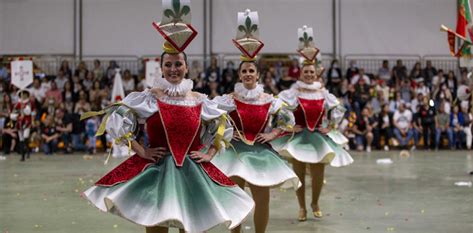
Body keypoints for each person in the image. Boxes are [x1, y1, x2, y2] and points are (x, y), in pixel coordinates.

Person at [82, 6, 253, 233]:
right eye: (168, 64)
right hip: (156, 172)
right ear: (161, 68)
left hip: (193, 173)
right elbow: (117, 119)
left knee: (192, 226)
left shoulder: (199, 100)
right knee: (156, 227)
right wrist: (141, 151)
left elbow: (222, 124)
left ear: (186, 67)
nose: (173, 69)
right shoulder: (149, 98)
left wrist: (210, 153)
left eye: (178, 64)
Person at [212, 11, 300, 233]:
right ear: (239, 75)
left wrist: (272, 134)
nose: (248, 74)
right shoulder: (229, 99)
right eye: (244, 71)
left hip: (261, 153)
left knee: (263, 200)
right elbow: (208, 115)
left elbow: (287, 121)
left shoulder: (270, 100)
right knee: (235, 199)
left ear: (258, 75)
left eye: (252, 70)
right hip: (234, 153)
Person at [270, 25, 352, 222]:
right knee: (299, 175)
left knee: (317, 175)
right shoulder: (294, 92)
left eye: (311, 72)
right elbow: (277, 105)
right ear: (301, 73)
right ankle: (302, 207)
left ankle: (315, 202)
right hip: (299, 137)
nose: (308, 75)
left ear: (316, 74)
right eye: (305, 72)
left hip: (318, 137)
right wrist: (288, 125)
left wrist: (331, 126)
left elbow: (339, 108)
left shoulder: (322, 92)